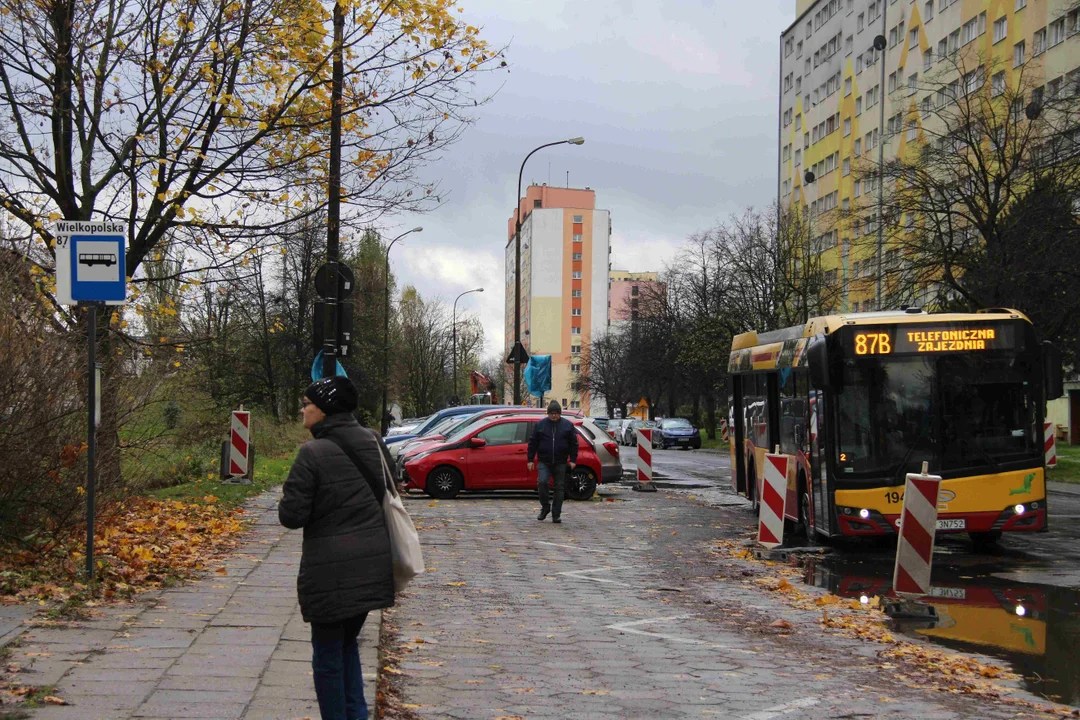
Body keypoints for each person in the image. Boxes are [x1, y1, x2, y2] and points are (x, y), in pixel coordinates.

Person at [279, 376, 395, 720]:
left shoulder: (312, 453)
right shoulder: (374, 441)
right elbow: (393, 491)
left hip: (329, 572)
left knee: (328, 658)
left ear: (325, 409)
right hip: (373, 566)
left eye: (306, 403)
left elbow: (291, 516)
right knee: (347, 646)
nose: (303, 409)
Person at [526, 400, 579, 523]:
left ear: (560, 414)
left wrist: (573, 459)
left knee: (559, 487)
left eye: (556, 413)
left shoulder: (567, 425)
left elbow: (573, 444)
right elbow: (533, 443)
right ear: (548, 413)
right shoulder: (540, 425)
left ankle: (556, 513)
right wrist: (530, 459)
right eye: (551, 413)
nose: (554, 415)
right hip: (544, 460)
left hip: (561, 461)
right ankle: (545, 507)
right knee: (542, 482)